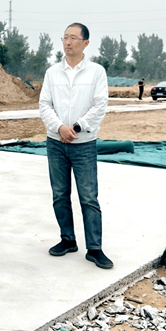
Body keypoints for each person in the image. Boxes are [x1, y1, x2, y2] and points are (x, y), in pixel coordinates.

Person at [39, 23, 113, 269]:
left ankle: (95, 248)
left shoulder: (96, 72)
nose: (68, 42)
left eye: (73, 38)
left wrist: (77, 127)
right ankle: (67, 239)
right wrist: (60, 127)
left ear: (85, 43)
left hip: (84, 144)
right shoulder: (52, 73)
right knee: (60, 194)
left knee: (89, 197)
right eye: (65, 38)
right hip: (56, 143)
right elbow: (44, 104)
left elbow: (100, 105)